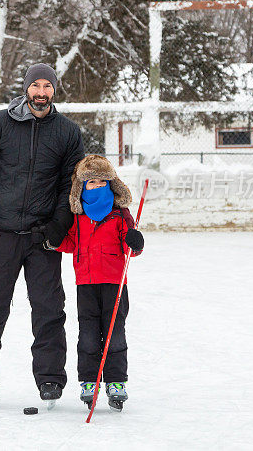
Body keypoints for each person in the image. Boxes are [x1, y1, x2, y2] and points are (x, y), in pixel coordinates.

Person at [0, 63, 84, 402]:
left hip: (42, 236)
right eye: (37, 86)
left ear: (54, 91)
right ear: (26, 88)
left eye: (48, 86)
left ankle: (50, 379)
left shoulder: (66, 132)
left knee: (49, 310)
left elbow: (70, 183)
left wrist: (59, 224)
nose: (42, 92)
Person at [51, 154, 144, 411]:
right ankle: (90, 380)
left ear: (111, 183)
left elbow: (130, 247)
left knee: (114, 333)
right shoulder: (78, 215)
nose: (97, 185)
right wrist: (55, 239)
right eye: (91, 181)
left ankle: (116, 381)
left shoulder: (119, 213)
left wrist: (135, 242)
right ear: (82, 186)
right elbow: (71, 243)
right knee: (88, 334)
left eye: (102, 181)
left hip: (114, 282)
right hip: (86, 283)